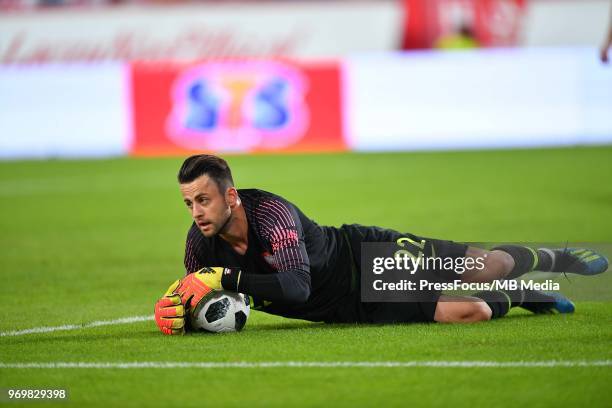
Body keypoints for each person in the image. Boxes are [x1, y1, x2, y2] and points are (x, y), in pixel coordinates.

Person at [154, 155, 608, 335]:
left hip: (363, 257)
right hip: (351, 308)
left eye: (204, 200)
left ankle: (555, 257)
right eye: (189, 202)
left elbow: (295, 289)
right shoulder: (200, 246)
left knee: (484, 267)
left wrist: (226, 278)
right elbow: (196, 296)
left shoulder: (271, 214)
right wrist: (177, 314)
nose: (196, 212)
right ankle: (526, 295)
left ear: (230, 196)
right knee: (475, 311)